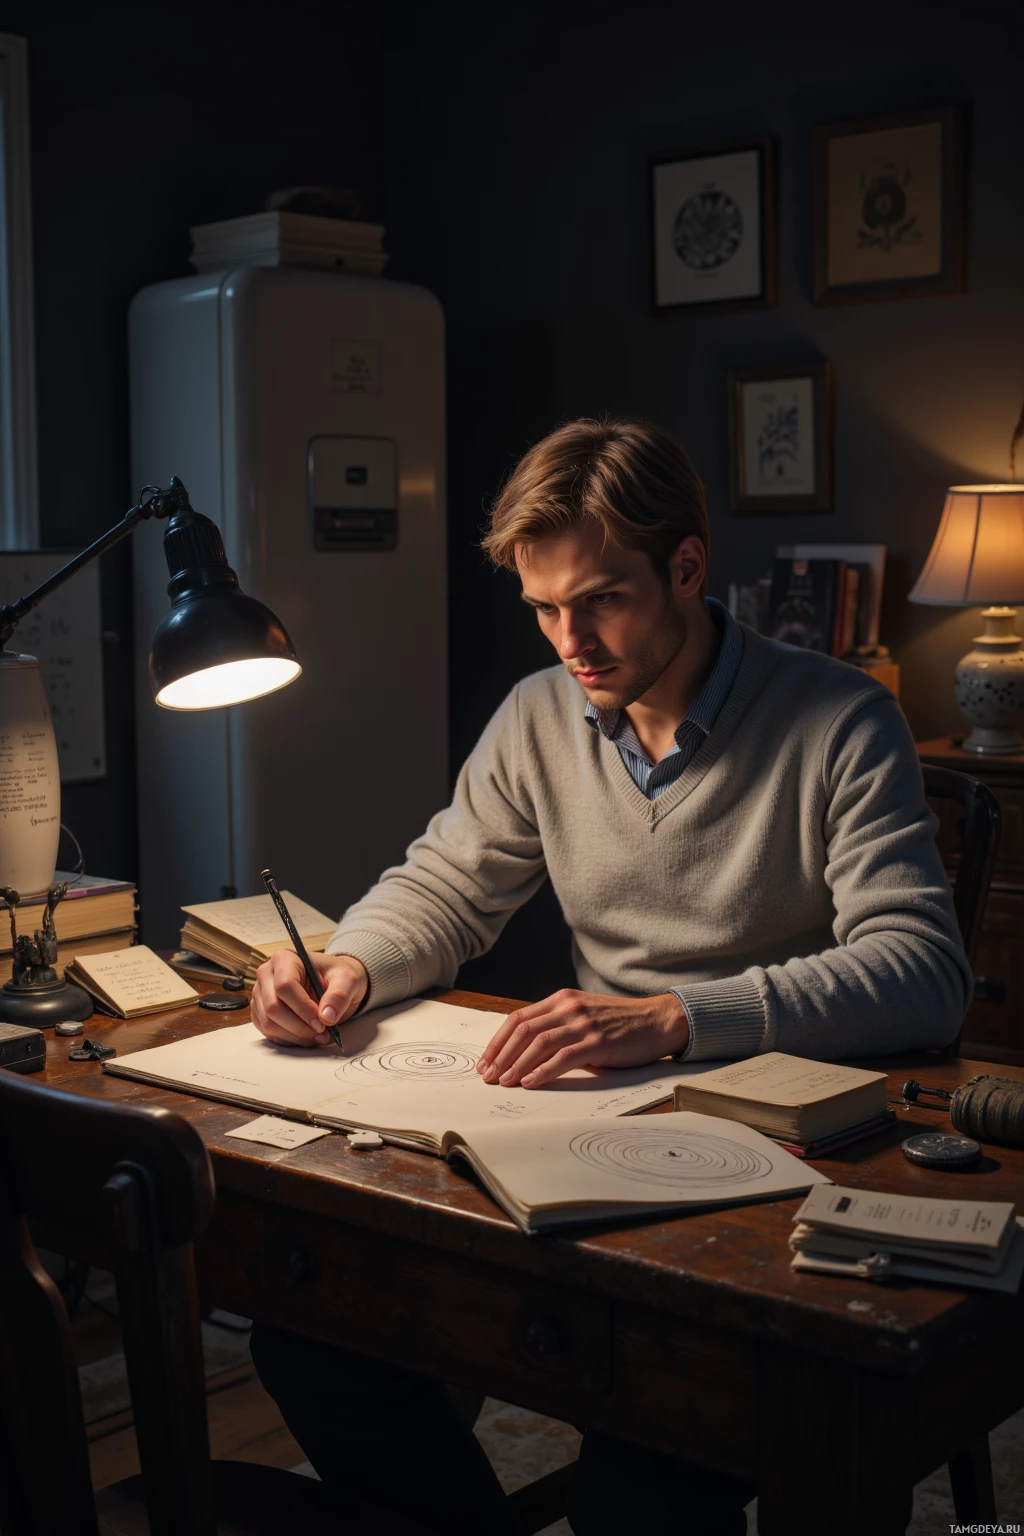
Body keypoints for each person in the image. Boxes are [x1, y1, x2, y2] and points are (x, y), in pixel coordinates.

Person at [248, 418, 969, 1535]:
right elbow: (444, 883)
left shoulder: (839, 719)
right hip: (584, 1139)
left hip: (767, 1160)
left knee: (636, 1495)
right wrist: (347, 964)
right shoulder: (542, 715)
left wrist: (676, 1017)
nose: (568, 640)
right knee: (310, 1343)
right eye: (541, 608)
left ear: (686, 566)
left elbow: (921, 973)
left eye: (600, 599)